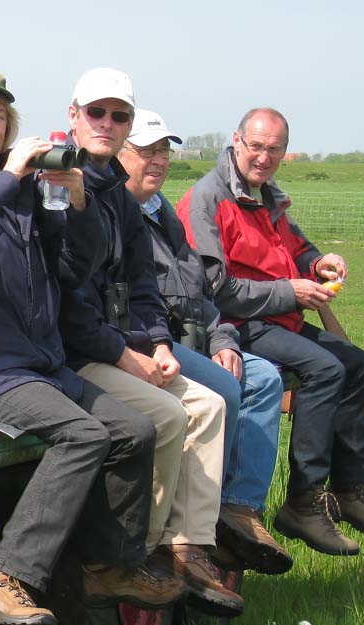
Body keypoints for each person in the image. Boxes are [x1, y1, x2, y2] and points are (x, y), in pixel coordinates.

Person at [0, 65, 182, 625]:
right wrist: (8, 174)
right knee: (82, 435)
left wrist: (76, 206)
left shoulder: (28, 191)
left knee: (134, 429)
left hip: (32, 362)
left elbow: (71, 269)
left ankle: (109, 565)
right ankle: (4, 577)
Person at [58, 69, 241, 616]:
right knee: (166, 413)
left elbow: (141, 281)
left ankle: (181, 544)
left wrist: (158, 343)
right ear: (73, 117)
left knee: (208, 403)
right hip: (71, 352)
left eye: (119, 116)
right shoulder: (55, 181)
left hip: (116, 343)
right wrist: (125, 356)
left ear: (128, 123)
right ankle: (129, 552)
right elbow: (61, 296)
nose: (107, 124)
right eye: (97, 113)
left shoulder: (117, 189)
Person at [177, 107, 364, 555]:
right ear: (236, 141)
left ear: (283, 151)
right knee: (325, 369)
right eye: (255, 146)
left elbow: (295, 248)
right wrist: (290, 293)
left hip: (279, 316)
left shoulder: (266, 196)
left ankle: (350, 489)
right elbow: (215, 290)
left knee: (359, 364)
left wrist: (318, 265)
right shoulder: (208, 200)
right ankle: (304, 501)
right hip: (238, 324)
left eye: (273, 149)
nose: (263, 156)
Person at [115, 109, 293, 576]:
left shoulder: (159, 213)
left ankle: (238, 507)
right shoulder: (115, 212)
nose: (157, 162)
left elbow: (198, 289)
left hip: (188, 335)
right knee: (226, 390)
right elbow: (136, 300)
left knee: (263, 376)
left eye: (163, 152)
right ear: (119, 153)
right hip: (153, 342)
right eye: (145, 151)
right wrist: (159, 346)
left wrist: (223, 336)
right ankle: (200, 516)